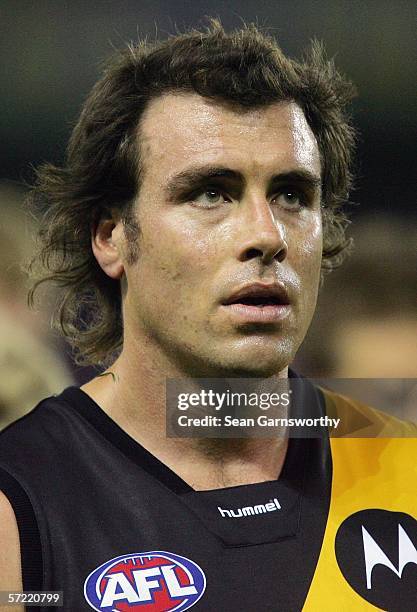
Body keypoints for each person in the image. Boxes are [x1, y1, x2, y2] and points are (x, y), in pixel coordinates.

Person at [0, 21, 415, 612]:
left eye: (293, 195)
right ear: (111, 237)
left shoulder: (407, 463)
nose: (266, 235)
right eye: (210, 193)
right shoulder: (19, 507)